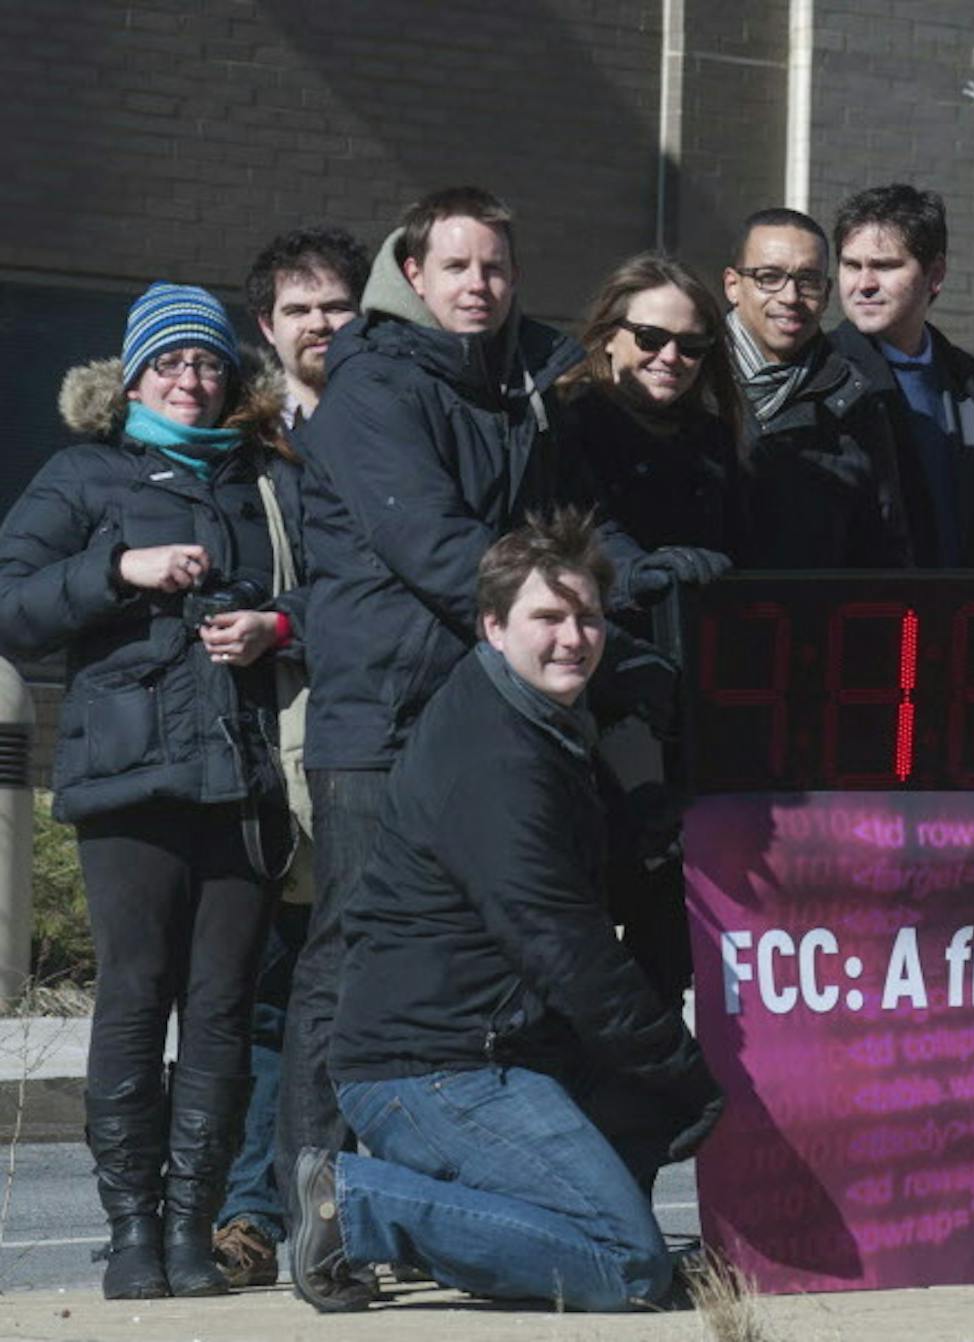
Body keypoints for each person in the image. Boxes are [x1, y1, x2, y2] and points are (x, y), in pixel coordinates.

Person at [284, 188, 723, 1216]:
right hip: (384, 724)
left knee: (504, 955)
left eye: (494, 268)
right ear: (414, 278)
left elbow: (562, 528)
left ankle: (444, 1194)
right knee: (349, 957)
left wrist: (639, 569)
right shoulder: (372, 390)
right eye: (456, 267)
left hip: (489, 715)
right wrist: (585, 603)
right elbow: (435, 548)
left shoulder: (520, 387)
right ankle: (313, 1191)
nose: (477, 285)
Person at [288, 511, 725, 1313]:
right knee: (627, 1263)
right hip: (433, 1071)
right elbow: (560, 938)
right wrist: (681, 1066)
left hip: (501, 1047)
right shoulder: (495, 758)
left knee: (644, 1110)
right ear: (493, 626)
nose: (574, 639)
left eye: (588, 617)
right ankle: (356, 1206)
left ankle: (474, 1218)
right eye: (548, 619)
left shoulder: (532, 717)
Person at [0, 285, 296, 1299]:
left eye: (208, 363)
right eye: (169, 361)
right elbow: (12, 604)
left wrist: (272, 627)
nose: (190, 378)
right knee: (134, 996)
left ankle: (189, 1228)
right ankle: (130, 1230)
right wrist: (118, 567)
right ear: (129, 377)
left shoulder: (264, 478)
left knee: (220, 1010)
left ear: (230, 378)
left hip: (243, 779)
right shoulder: (84, 473)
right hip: (127, 779)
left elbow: (322, 589)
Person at [209, 225, 368, 1290]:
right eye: (300, 308)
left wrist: (289, 620)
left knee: (336, 985)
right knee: (263, 992)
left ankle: (336, 1206)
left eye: (338, 305)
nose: (321, 323)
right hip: (252, 751)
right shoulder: (236, 450)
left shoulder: (396, 425)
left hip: (358, 750)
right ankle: (248, 1214)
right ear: (267, 328)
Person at [556, 251, 745, 1011]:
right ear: (608, 336)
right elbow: (574, 531)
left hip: (690, 708)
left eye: (693, 346)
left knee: (672, 941)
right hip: (594, 697)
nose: (671, 358)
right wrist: (637, 574)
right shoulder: (566, 424)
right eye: (651, 338)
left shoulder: (713, 444)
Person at [722, 207, 911, 568]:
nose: (790, 297)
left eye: (807, 280)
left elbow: (885, 549)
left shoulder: (856, 399)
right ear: (733, 285)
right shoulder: (688, 375)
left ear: (825, 294)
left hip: (813, 620)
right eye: (769, 277)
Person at [830, 183, 974, 567]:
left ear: (935, 274)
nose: (864, 284)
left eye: (885, 265)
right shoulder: (819, 376)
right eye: (851, 265)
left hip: (953, 619)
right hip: (860, 618)